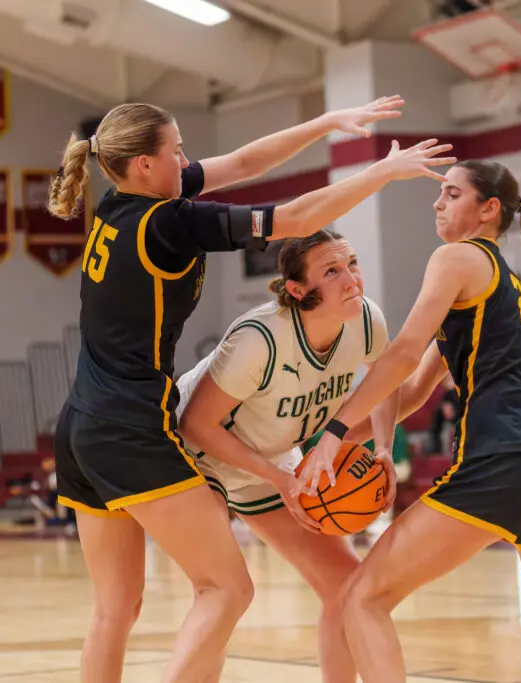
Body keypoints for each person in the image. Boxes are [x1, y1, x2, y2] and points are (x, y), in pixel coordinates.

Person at [46, 97, 454, 683]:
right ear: (143, 164)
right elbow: (293, 218)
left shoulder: (118, 203)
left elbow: (239, 163)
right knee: (227, 588)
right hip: (131, 428)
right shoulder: (168, 224)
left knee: (116, 609)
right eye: (176, 150)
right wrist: (381, 172)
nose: (186, 159)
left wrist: (323, 124)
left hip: (81, 422)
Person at [298, 159, 521, 682]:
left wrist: (332, 432)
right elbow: (415, 390)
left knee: (361, 597)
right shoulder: (499, 283)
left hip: (503, 458)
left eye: (450, 194)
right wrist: (330, 444)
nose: (436, 202)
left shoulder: (457, 258)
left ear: (487, 210)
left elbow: (398, 356)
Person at [175, 229, 397, 683]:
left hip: (269, 455)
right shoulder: (260, 339)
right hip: (194, 454)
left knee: (346, 586)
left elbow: (385, 379)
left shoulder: (366, 320)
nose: (351, 278)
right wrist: (281, 480)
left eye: (352, 263)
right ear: (298, 290)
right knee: (222, 593)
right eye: (332, 271)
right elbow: (196, 425)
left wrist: (385, 448)